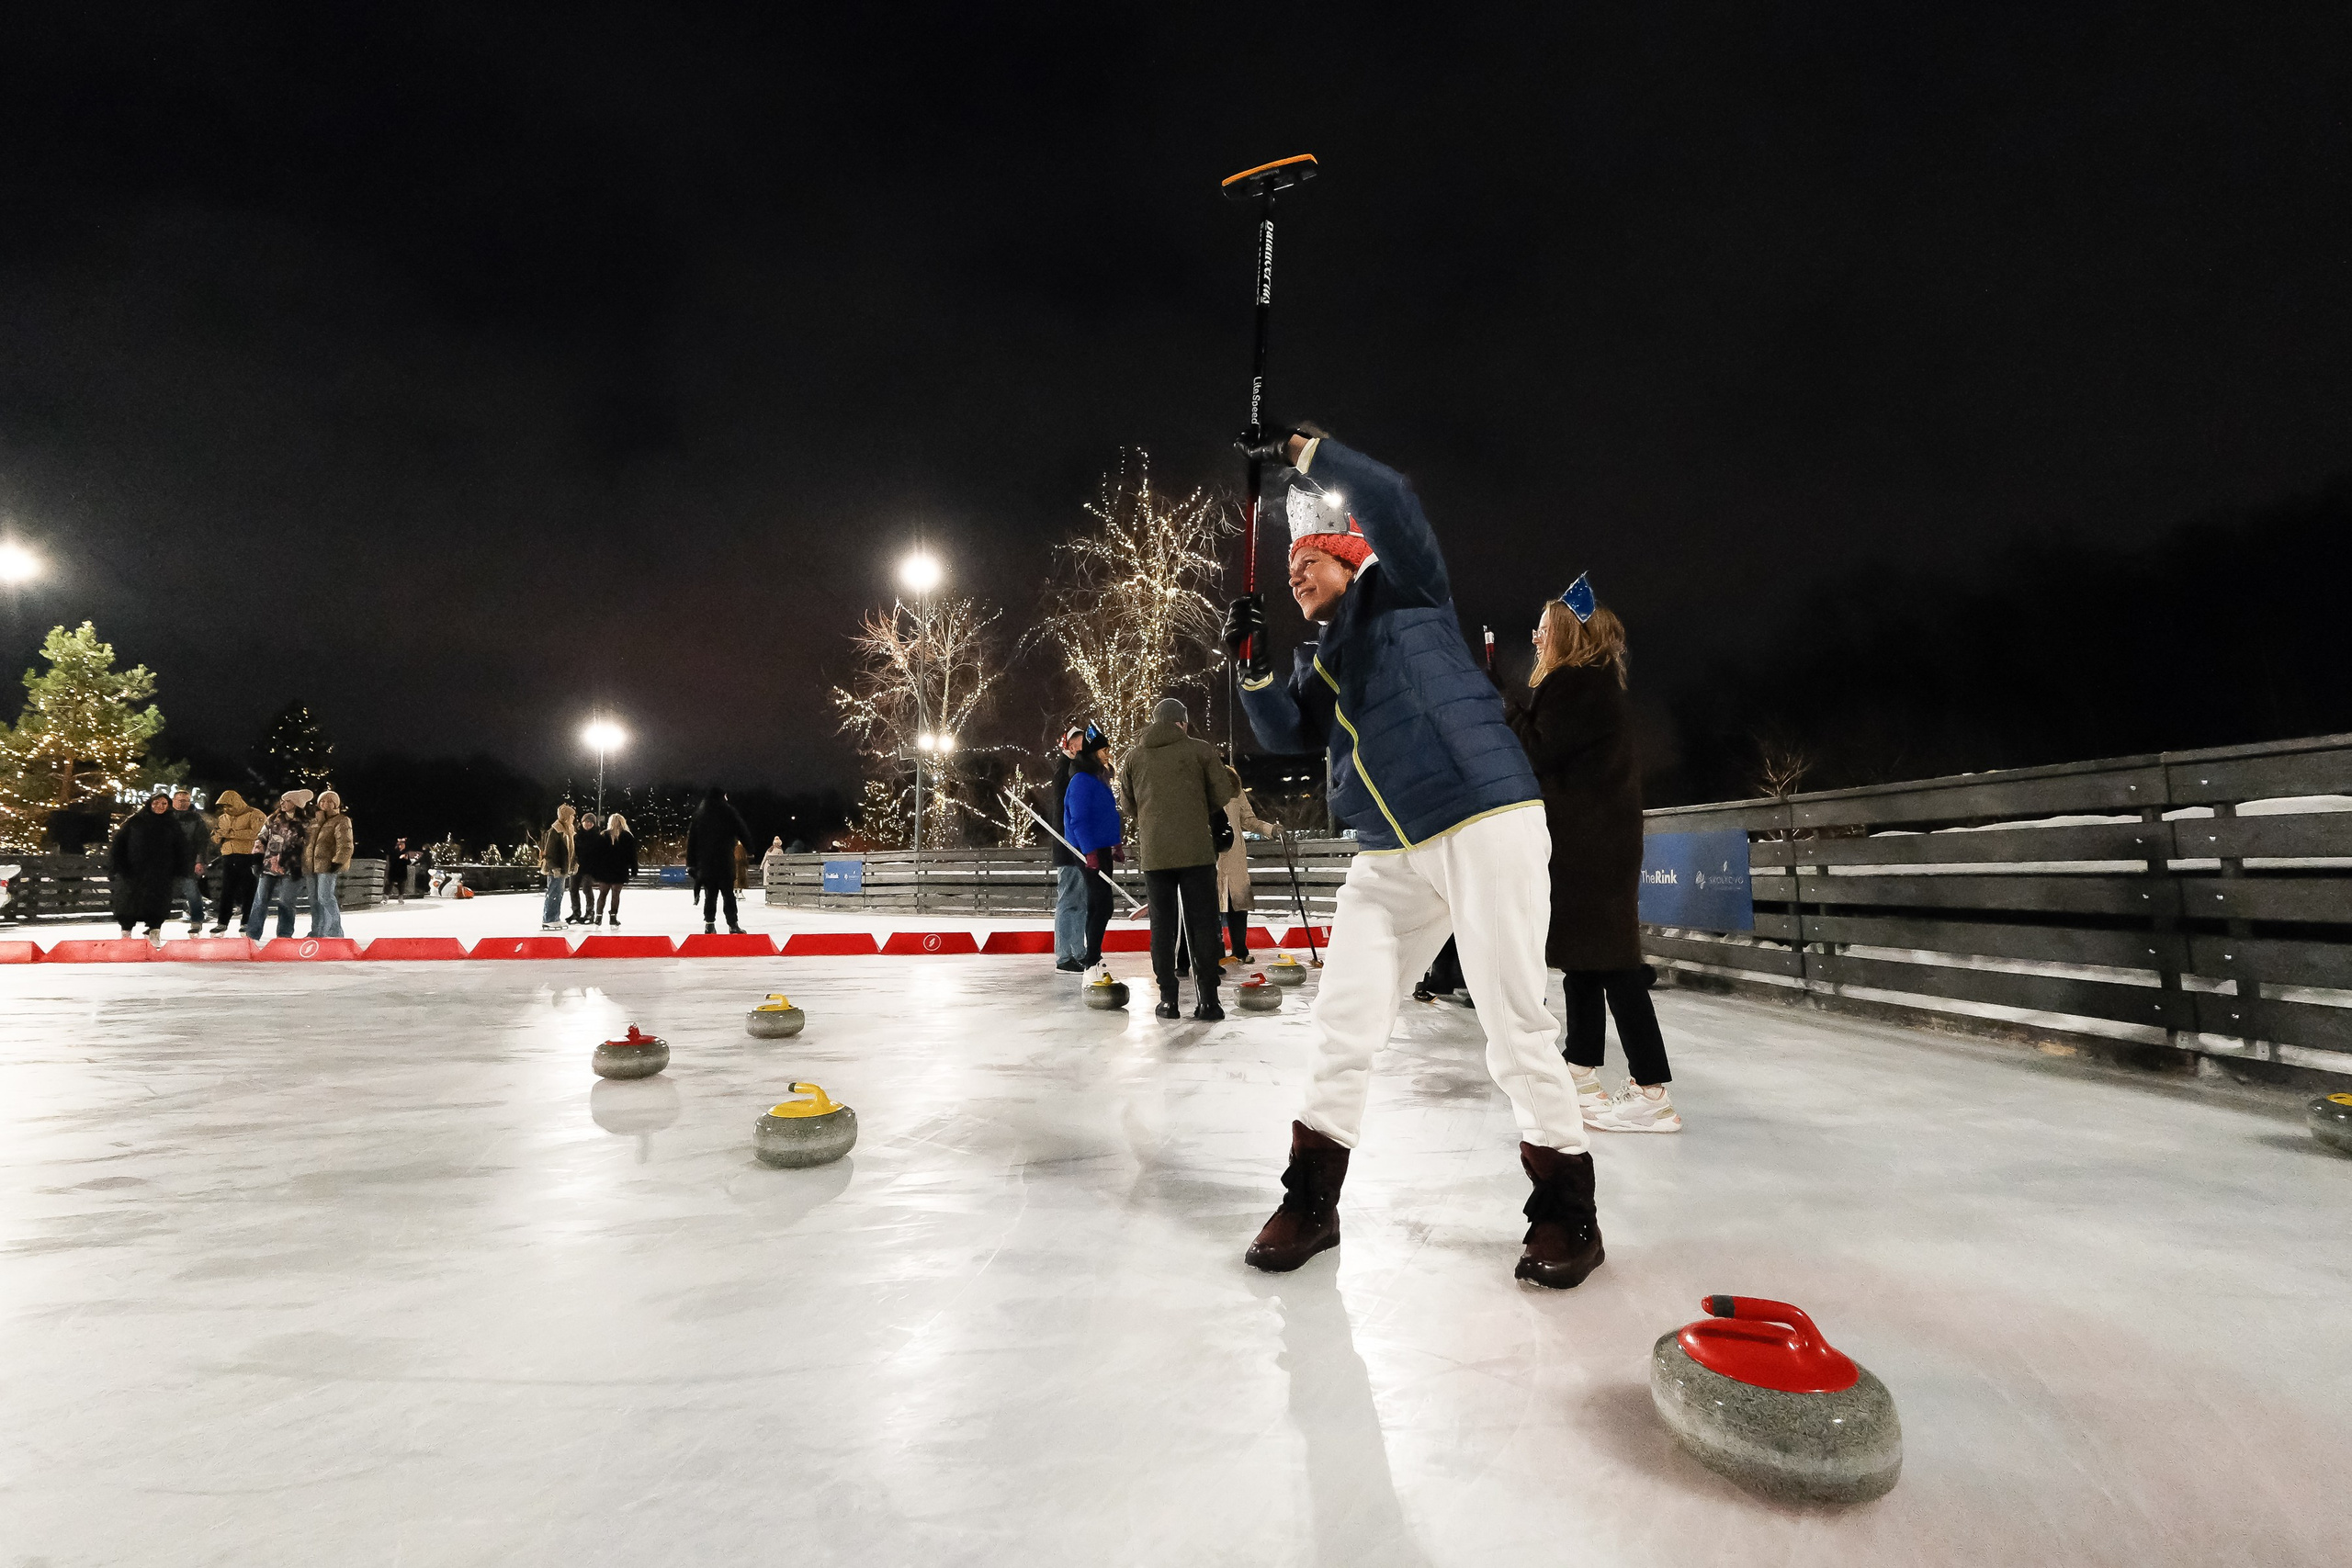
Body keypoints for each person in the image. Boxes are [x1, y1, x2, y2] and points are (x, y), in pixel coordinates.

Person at [1224, 428, 1603, 1288]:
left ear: (1348, 555)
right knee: (1344, 1018)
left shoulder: (1406, 592)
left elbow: (1391, 494)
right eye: (1286, 569)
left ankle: (1568, 1213)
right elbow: (1284, 731)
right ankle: (1312, 1200)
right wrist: (1249, 669)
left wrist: (1301, 448)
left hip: (1481, 811)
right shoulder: (1323, 657)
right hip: (1391, 846)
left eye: (1307, 560)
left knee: (1512, 1023)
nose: (1292, 574)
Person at [1507, 585, 1679, 1134]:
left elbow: (1535, 750)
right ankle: (1580, 1075)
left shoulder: (1578, 684)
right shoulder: (1591, 686)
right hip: (1592, 843)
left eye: (1544, 627)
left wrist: (1500, 707)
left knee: (1614, 964)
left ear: (1568, 634)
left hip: (1591, 847)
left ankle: (1651, 1092)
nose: (1535, 636)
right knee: (1585, 961)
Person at [1116, 697, 1236, 1021]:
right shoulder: (1200, 750)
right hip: (1197, 852)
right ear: (1182, 721)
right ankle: (1209, 1001)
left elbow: (1128, 806)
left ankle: (1168, 1000)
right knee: (1202, 925)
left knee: (1162, 927)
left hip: (1155, 855)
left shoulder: (1133, 758)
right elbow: (1223, 794)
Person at [1062, 729, 1123, 971]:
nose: (1107, 754)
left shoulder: (1099, 779)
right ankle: (1092, 956)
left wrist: (1115, 843)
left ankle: (1093, 954)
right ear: (1091, 753)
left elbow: (1108, 815)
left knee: (1101, 903)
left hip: (1101, 847)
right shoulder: (1081, 781)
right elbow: (1079, 819)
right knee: (1101, 903)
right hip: (1088, 850)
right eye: (1103, 750)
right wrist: (1089, 852)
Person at [1214, 760, 1279, 966]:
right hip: (1211, 854)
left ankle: (1240, 950)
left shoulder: (1234, 786)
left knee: (1238, 905)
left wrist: (1270, 829)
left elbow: (1248, 819)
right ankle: (1216, 951)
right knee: (1211, 906)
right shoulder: (1202, 786)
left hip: (1234, 855)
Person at [110, 793, 194, 947]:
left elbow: (181, 848)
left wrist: (181, 869)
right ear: (149, 803)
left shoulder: (172, 824)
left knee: (157, 903)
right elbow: (118, 845)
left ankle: (155, 931)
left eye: (164, 804)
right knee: (129, 902)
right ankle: (126, 934)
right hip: (134, 871)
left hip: (161, 873)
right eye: (156, 803)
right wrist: (120, 866)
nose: (160, 807)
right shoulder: (135, 822)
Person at [1047, 724, 1090, 973]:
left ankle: (1078, 950)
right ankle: (1065, 955)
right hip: (1069, 845)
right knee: (1069, 899)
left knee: (1081, 901)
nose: (1080, 745)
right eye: (1076, 741)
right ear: (1068, 745)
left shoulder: (1080, 767)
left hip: (1082, 845)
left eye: (1082, 741)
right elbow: (1064, 806)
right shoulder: (1065, 768)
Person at [685, 788, 756, 934]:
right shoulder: (728, 811)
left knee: (710, 894)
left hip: (706, 863)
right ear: (722, 796)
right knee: (728, 894)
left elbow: (692, 840)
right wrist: (750, 848)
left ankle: (709, 924)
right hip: (724, 860)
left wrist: (691, 863)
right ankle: (733, 924)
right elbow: (741, 829)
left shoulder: (700, 814)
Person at [243, 793, 309, 941]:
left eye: (287, 801)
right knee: (260, 900)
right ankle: (252, 934)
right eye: (282, 801)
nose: (282, 803)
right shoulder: (273, 819)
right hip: (268, 867)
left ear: (296, 804)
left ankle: (284, 936)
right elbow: (261, 839)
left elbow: (309, 846)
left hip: (293, 868)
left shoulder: (306, 823)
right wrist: (256, 860)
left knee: (286, 902)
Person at [209, 789, 263, 935]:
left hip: (248, 856)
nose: (227, 809)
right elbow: (215, 836)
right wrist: (218, 836)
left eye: (230, 805)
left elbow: (257, 833)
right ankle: (222, 922)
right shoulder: (223, 818)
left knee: (249, 890)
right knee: (227, 890)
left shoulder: (254, 814)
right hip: (229, 856)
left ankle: (247, 921)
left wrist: (231, 833)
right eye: (225, 806)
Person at [302, 789, 354, 939]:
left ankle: (334, 931)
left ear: (336, 804)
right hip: (311, 866)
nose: (326, 804)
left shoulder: (342, 820)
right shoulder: (313, 822)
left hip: (328, 865)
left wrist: (338, 861)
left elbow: (346, 843)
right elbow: (307, 845)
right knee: (313, 899)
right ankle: (317, 931)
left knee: (325, 897)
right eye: (323, 801)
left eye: (330, 801)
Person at [167, 788, 209, 934]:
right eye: (180, 800)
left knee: (192, 892)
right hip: (167, 860)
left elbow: (202, 842)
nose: (183, 803)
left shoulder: (196, 819)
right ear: (173, 801)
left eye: (186, 800)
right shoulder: (165, 817)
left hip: (188, 861)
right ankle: (154, 925)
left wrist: (200, 861)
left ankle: (197, 920)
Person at [591, 811, 639, 926]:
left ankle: (598, 917)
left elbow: (596, 855)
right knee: (615, 894)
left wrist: (595, 870)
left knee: (602, 894)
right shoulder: (628, 836)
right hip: (620, 870)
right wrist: (634, 870)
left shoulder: (603, 835)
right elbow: (632, 855)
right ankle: (613, 917)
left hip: (605, 870)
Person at [539, 803, 579, 932]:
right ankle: (549, 919)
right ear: (566, 817)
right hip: (555, 869)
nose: (573, 818)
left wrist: (574, 863)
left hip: (563, 868)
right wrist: (554, 867)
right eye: (572, 816)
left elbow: (571, 852)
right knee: (553, 893)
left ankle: (554, 917)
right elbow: (549, 852)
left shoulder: (569, 831)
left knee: (559, 893)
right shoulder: (556, 831)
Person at [568, 810, 602, 924]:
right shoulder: (576, 836)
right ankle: (576, 912)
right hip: (577, 867)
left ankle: (590, 912)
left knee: (587, 888)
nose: (588, 824)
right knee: (573, 888)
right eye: (586, 822)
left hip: (590, 868)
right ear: (582, 822)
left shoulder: (597, 837)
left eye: (591, 822)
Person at [385, 836, 415, 905]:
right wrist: (400, 858)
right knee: (389, 884)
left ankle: (400, 898)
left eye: (404, 845)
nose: (403, 846)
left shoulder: (405, 853)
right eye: (401, 845)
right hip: (394, 870)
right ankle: (385, 898)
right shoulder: (393, 852)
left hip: (402, 871)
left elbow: (408, 863)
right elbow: (391, 860)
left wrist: (406, 858)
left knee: (401, 885)